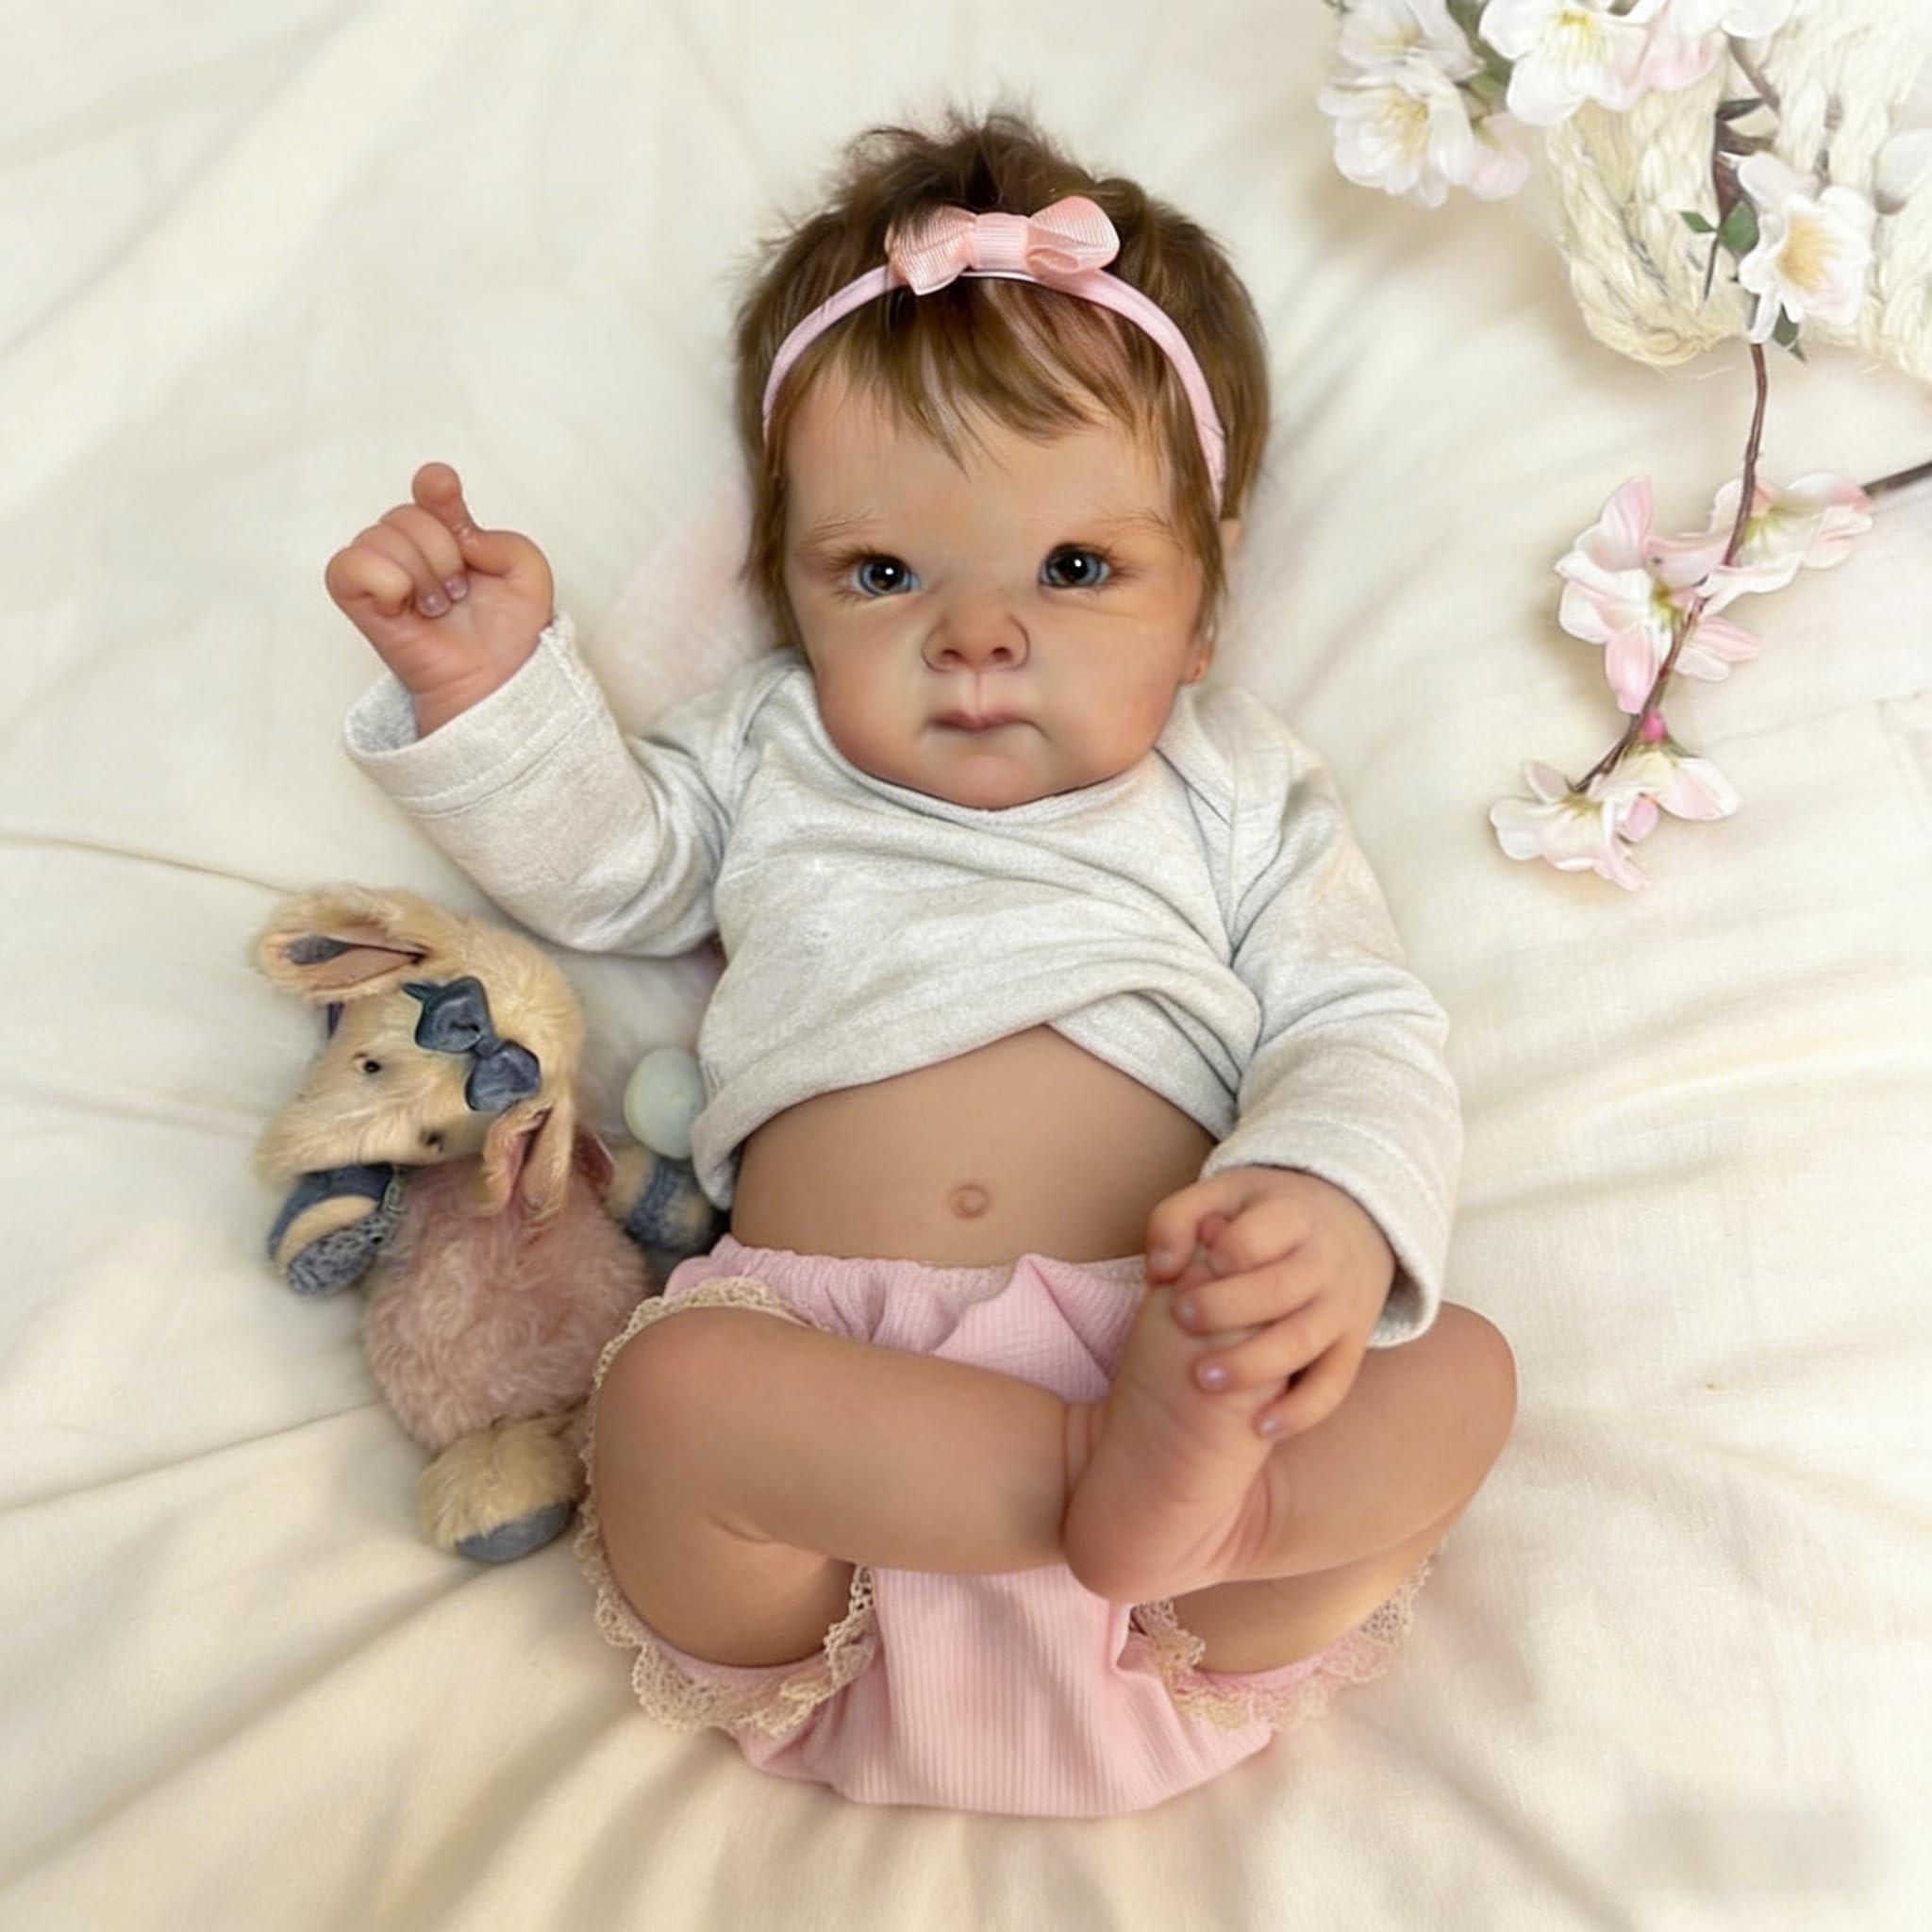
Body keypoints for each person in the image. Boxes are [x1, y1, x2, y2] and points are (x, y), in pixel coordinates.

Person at [325, 104, 1517, 1818]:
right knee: (673, 1392)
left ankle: (1219, 1508)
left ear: (1204, 605)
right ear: (786, 586)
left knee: (1458, 1367)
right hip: (832, 1488)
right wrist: (486, 687)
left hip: (1182, 1448)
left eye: (1077, 567)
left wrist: (1331, 1206)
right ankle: (1103, 1476)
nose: (976, 635)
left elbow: (1358, 1019)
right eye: (882, 572)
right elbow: (603, 872)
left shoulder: (1239, 792)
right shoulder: (771, 750)